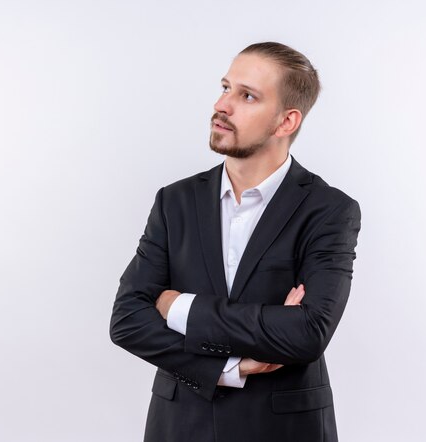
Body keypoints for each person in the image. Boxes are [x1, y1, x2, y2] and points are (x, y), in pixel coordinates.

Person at [110, 41, 361, 442]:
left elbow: (307, 333)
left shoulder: (329, 210)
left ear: (286, 122)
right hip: (181, 425)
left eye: (247, 96)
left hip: (284, 429)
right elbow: (127, 321)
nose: (222, 105)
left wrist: (179, 306)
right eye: (226, 87)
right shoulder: (174, 201)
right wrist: (231, 367)